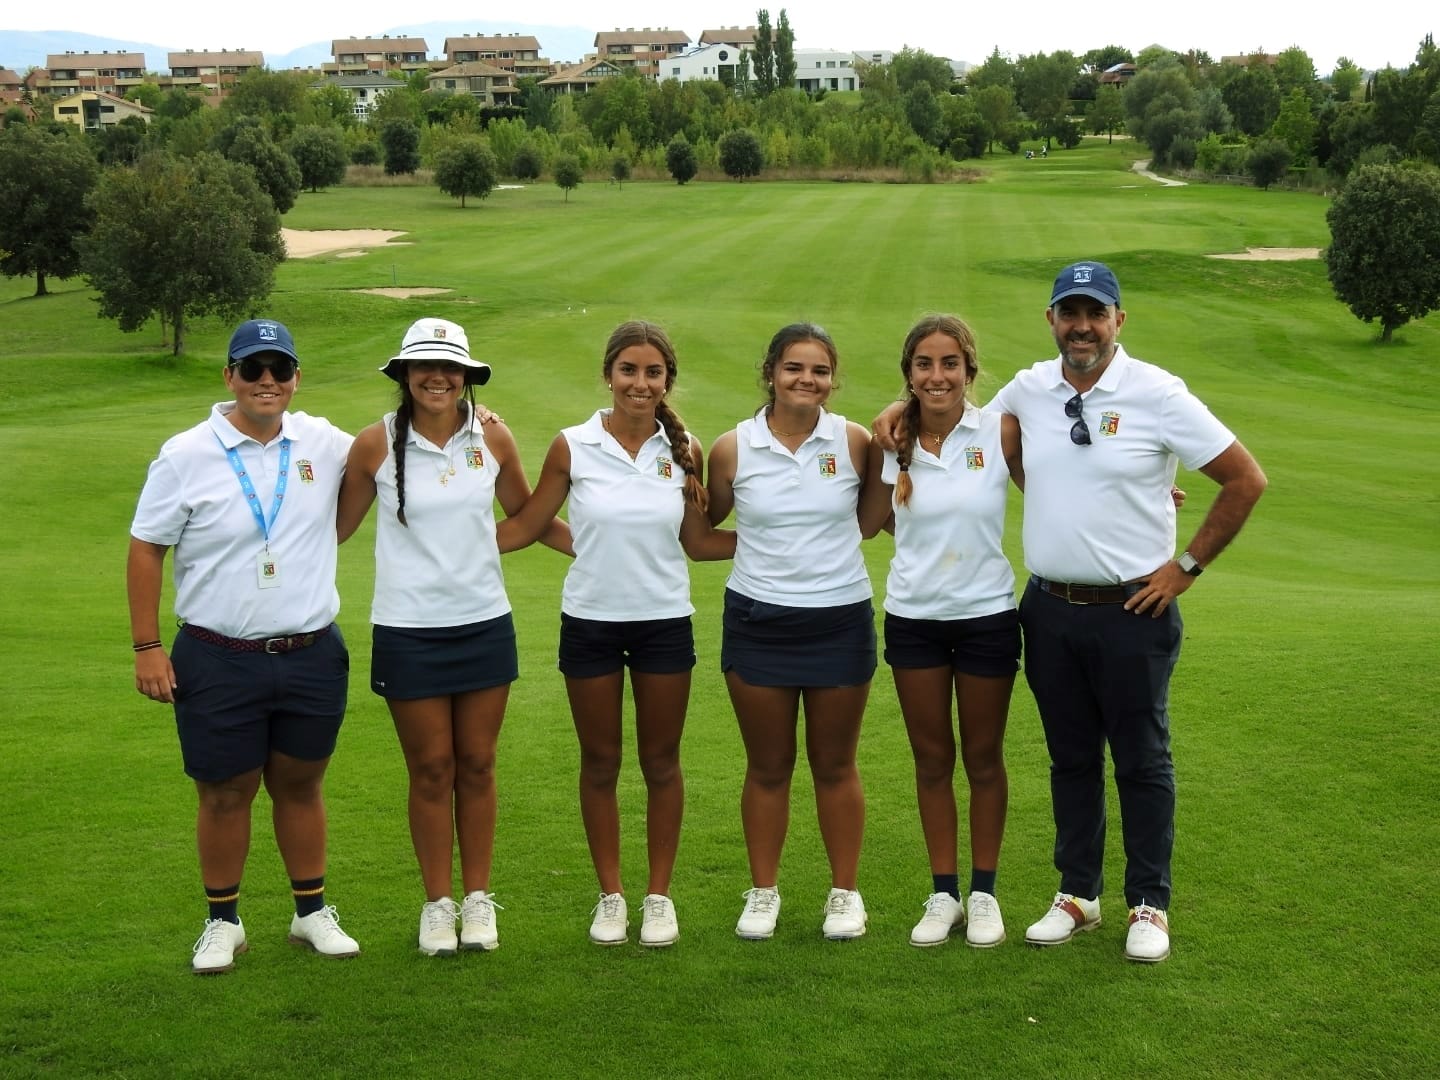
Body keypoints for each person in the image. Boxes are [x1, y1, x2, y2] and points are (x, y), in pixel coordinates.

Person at [877, 261, 1266, 963]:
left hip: (1133, 610)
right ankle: (1078, 895)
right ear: (1051, 320)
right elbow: (956, 418)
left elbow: (1245, 478)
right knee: (1071, 758)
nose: (1081, 326)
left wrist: (1185, 568)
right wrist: (896, 412)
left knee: (1142, 759)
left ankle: (1148, 903)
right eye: (1069, 312)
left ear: (1119, 320)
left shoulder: (1157, 392)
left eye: (1096, 313)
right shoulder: (1029, 389)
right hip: (1048, 608)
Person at [128, 318, 361, 975]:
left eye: (279, 370)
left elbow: (389, 446)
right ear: (227, 375)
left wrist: (470, 420)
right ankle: (222, 921)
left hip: (311, 649)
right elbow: (147, 547)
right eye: (252, 370)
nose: (267, 382)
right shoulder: (185, 454)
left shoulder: (322, 440)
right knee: (225, 791)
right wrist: (147, 645)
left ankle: (310, 911)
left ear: (296, 378)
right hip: (215, 652)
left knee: (301, 784)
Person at [336, 318, 570, 957]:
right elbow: (330, 528)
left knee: (479, 763)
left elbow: (527, 516)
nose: (436, 377)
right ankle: (437, 904)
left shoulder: (492, 436)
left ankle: (477, 899)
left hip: (483, 623)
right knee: (431, 769)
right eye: (423, 367)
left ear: (467, 376)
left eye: (449, 367)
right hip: (407, 629)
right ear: (404, 376)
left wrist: (599, 547)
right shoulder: (374, 444)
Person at [497, 320, 733, 948]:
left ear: (666, 381)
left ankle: (658, 897)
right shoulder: (572, 445)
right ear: (609, 375)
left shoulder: (685, 451)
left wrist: (790, 540)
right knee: (600, 763)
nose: (639, 383)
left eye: (652, 372)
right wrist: (450, 544)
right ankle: (611, 896)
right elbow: (529, 523)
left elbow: (697, 542)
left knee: (661, 763)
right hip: (591, 623)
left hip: (663, 623)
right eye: (628, 370)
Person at [706, 323, 875, 942]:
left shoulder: (854, 441)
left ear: (832, 379)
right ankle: (764, 891)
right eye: (794, 368)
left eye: (821, 371)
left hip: (839, 618)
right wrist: (765, 541)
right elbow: (700, 537)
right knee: (768, 766)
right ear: (771, 372)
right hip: (758, 620)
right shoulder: (731, 448)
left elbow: (873, 520)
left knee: (835, 765)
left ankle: (844, 894)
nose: (808, 380)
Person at [856, 315, 1020, 948]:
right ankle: (944, 893)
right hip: (915, 618)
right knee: (932, 761)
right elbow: (872, 521)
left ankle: (984, 893)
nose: (937, 376)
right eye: (923, 364)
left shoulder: (1000, 431)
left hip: (987, 616)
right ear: (909, 374)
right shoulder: (889, 440)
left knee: (982, 758)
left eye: (950, 363)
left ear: (969, 371)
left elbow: (1063, 482)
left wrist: (1145, 494)